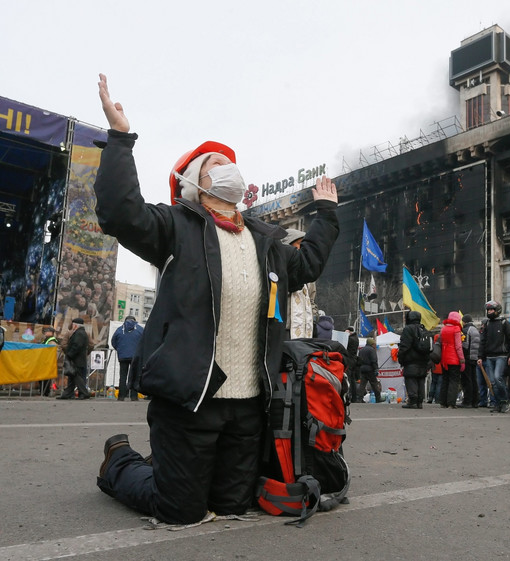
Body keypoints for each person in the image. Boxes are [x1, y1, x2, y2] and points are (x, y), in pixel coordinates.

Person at [93, 74, 339, 524]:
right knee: (179, 510)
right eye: (213, 165)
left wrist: (325, 214)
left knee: (232, 506)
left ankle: (171, 470)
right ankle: (120, 463)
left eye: (229, 162)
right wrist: (120, 138)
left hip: (248, 405)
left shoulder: (266, 242)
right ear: (194, 184)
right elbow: (119, 213)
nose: (226, 167)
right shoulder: (176, 227)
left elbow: (307, 266)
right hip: (190, 399)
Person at [478, 301, 510, 413]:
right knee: (492, 382)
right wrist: (480, 357)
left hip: (501, 356)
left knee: (497, 378)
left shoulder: (504, 323)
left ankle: (505, 401)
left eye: (492, 310)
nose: (490, 312)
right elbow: (482, 341)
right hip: (489, 357)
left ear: (497, 310)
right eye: (488, 310)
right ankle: (498, 403)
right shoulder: (487, 324)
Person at [282, 229, 317, 340]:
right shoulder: (279, 268)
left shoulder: (309, 275)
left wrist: (314, 314)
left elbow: (312, 300)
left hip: (305, 331)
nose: (302, 249)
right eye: (299, 244)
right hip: (284, 330)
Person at [398, 311, 431, 409]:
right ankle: (419, 401)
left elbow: (405, 345)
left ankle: (412, 400)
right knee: (421, 379)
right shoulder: (424, 329)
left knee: (411, 379)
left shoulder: (408, 329)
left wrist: (401, 357)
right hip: (423, 359)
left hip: (411, 359)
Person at [111, 315, 144, 401]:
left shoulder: (119, 330)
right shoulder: (140, 329)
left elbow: (113, 342)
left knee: (122, 377)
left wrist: (119, 349)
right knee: (135, 376)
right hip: (135, 357)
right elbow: (145, 341)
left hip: (123, 357)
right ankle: (134, 396)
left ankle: (121, 396)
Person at [58, 318, 91, 400]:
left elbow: (76, 345)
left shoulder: (79, 333)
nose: (72, 326)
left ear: (75, 325)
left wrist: (69, 355)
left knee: (76, 377)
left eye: (73, 324)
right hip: (78, 359)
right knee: (72, 376)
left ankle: (84, 393)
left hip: (77, 359)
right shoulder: (82, 333)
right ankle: (67, 394)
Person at [439, 311, 465, 408]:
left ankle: (443, 402)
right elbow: (458, 346)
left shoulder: (443, 329)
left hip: (444, 358)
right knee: (454, 381)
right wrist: (462, 359)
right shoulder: (456, 329)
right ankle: (451, 402)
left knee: (445, 379)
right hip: (454, 359)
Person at [460, 315, 480, 408]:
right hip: (474, 357)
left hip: (467, 357)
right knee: (473, 379)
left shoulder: (465, 330)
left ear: (464, 321)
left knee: (466, 379)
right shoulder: (475, 329)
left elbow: (465, 345)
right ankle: (475, 401)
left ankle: (467, 401)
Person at [357, 338, 383, 403]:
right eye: (374, 344)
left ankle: (360, 399)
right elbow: (374, 360)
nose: (375, 345)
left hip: (362, 369)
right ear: (372, 344)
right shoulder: (372, 350)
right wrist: (376, 369)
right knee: (374, 384)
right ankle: (378, 398)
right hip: (370, 369)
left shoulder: (361, 350)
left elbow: (358, 360)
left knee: (362, 385)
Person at [38, 326, 60, 396]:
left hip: (47, 362)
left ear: (51, 333)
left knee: (45, 378)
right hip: (44, 362)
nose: (45, 333)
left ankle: (45, 392)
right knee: (42, 378)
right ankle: (43, 391)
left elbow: (54, 353)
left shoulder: (52, 342)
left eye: (46, 331)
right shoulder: (46, 340)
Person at [344, 326, 360, 403]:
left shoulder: (350, 339)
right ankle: (354, 397)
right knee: (353, 379)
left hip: (349, 359)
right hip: (354, 360)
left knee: (348, 378)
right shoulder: (356, 338)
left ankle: (349, 395)